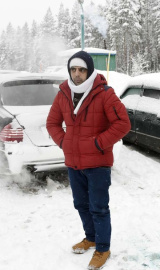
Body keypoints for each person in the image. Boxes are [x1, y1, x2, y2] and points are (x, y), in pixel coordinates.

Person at [46, 51, 130, 270]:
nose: (77, 74)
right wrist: (64, 143)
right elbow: (52, 123)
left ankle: (103, 248)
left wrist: (97, 144)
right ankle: (91, 238)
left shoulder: (104, 93)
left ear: (89, 71)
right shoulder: (64, 92)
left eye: (81, 70)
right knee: (81, 204)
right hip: (74, 163)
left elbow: (123, 124)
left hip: (98, 165)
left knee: (99, 208)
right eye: (73, 70)